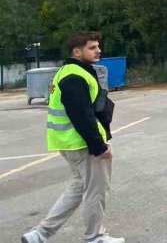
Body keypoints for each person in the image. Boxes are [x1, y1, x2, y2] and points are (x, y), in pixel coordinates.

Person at [22, 31, 123, 243]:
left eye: (98, 46)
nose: (98, 50)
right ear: (77, 51)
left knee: (79, 187)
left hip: (69, 142)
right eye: (92, 47)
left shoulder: (69, 71)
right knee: (96, 191)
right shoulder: (74, 77)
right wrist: (98, 145)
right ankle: (95, 237)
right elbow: (82, 116)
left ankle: (39, 234)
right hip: (82, 144)